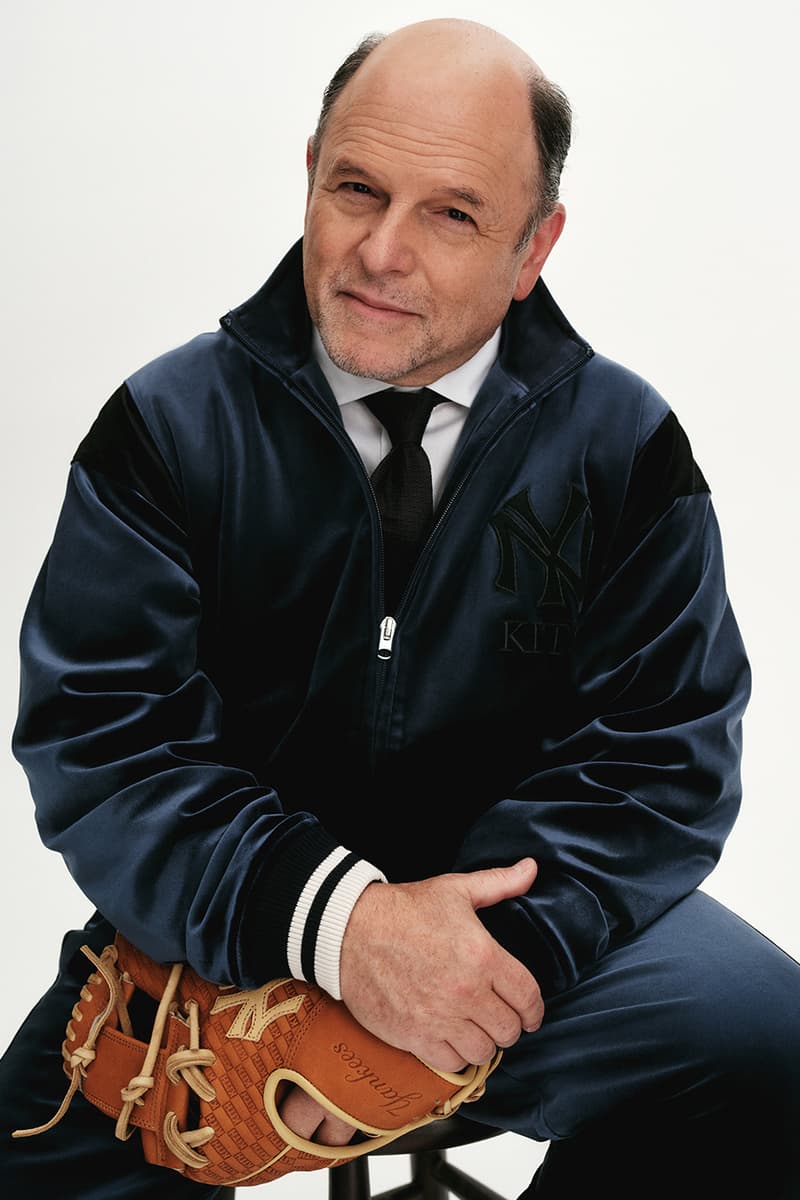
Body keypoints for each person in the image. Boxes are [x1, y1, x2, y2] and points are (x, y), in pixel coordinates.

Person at [1, 16, 798, 1199]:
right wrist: (339, 931)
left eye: (452, 214)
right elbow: (106, 744)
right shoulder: (167, 427)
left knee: (767, 1049)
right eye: (356, 189)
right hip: (218, 940)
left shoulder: (624, 448)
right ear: (309, 175)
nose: (379, 252)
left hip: (522, 942)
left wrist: (459, 977)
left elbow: (660, 753)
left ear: (532, 249)